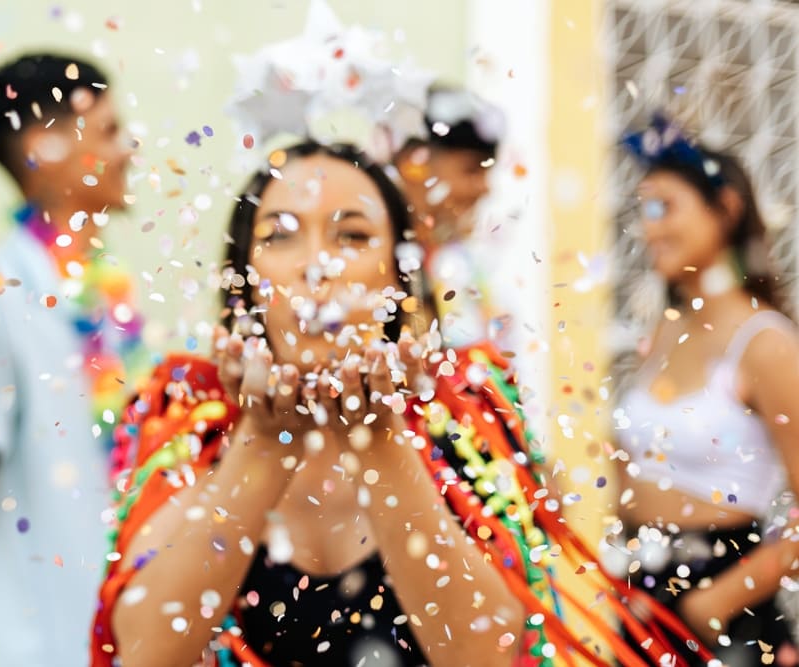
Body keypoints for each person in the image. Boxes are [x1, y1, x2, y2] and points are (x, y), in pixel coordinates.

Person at [91, 142, 711, 667]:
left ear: (396, 277)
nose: (316, 266)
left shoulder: (465, 407)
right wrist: (262, 441)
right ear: (246, 277)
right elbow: (144, 651)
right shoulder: (187, 411)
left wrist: (380, 440)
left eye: (352, 235)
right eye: (280, 237)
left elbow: (492, 655)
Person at [0, 52, 147, 666]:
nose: (129, 147)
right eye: (107, 130)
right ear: (45, 149)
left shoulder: (110, 288)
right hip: (51, 648)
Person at [608, 113, 799, 666]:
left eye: (664, 207)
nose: (648, 229)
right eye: (642, 210)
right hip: (641, 601)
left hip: (724, 614)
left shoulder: (765, 343)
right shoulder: (668, 328)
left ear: (726, 210)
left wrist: (714, 602)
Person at [393, 86, 512, 350]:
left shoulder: (463, 264)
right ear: (415, 164)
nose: (485, 188)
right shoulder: (378, 264)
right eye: (471, 170)